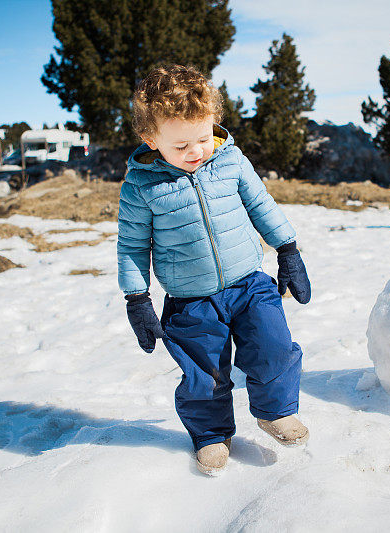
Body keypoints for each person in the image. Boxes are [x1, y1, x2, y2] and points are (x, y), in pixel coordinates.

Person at [117, 64, 311, 475]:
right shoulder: (141, 186)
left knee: (273, 346)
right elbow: (132, 246)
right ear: (151, 140)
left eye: (204, 137)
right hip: (190, 300)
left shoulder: (230, 161)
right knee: (203, 374)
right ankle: (210, 434)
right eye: (181, 144)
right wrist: (137, 298)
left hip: (250, 282)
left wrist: (287, 249)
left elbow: (261, 205)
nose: (196, 151)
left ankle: (275, 412)